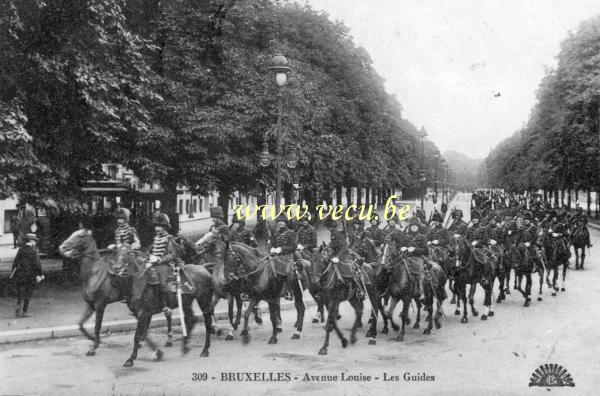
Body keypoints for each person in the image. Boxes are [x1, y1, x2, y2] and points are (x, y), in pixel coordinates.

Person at [146, 212, 181, 315]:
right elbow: (150, 250)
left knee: (161, 280)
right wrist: (148, 257)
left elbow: (172, 254)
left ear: (165, 227)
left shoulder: (169, 238)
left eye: (160, 227)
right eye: (156, 226)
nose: (157, 229)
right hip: (153, 264)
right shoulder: (156, 238)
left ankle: (165, 305)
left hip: (165, 265)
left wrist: (159, 259)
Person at [11, 233, 44, 317]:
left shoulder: (21, 249)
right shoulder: (34, 250)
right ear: (31, 240)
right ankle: (24, 311)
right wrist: (40, 274)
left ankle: (18, 305)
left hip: (20, 274)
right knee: (28, 292)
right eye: (35, 240)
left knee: (21, 291)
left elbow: (15, 262)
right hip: (30, 275)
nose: (36, 242)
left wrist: (14, 272)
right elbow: (37, 264)